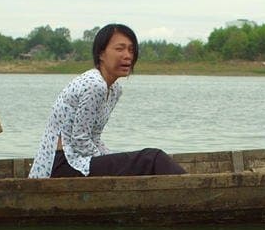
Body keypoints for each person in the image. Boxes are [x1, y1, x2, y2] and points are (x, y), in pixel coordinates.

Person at [28, 23, 186, 178]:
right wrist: (107, 161)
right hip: (63, 164)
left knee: (147, 159)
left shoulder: (114, 89)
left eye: (131, 50)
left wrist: (109, 156)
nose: (128, 55)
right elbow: (80, 140)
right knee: (152, 158)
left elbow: (94, 137)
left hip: (79, 161)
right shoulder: (94, 84)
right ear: (101, 54)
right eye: (120, 49)